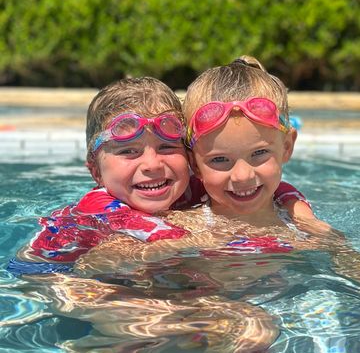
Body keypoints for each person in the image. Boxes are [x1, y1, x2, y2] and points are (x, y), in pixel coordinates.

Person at [12, 75, 312, 273]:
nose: (152, 165)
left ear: (191, 160)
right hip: (52, 279)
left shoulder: (192, 189)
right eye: (128, 151)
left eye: (167, 147)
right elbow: (173, 241)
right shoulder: (99, 210)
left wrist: (300, 214)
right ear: (95, 171)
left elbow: (275, 185)